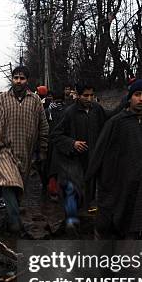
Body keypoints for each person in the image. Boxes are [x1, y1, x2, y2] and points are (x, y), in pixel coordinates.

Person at [86, 79, 142, 240]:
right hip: (118, 182)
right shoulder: (117, 122)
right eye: (137, 94)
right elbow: (100, 151)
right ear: (130, 97)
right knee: (110, 222)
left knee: (136, 223)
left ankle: (128, 258)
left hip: (141, 183)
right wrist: (91, 179)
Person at [0, 66, 49, 233]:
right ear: (12, 79)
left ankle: (10, 217)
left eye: (22, 78)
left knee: (18, 188)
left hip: (25, 154)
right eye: (16, 77)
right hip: (4, 150)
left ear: (27, 80)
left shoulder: (34, 101)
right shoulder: (2, 99)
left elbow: (43, 127)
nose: (18, 81)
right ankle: (15, 223)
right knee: (8, 182)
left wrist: (42, 149)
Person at [50, 84, 107, 232]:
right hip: (71, 162)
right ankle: (71, 223)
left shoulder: (97, 110)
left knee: (87, 193)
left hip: (91, 160)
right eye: (85, 95)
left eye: (91, 95)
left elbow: (108, 125)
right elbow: (56, 135)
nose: (89, 99)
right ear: (78, 95)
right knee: (71, 191)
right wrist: (72, 143)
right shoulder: (69, 113)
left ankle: (82, 224)